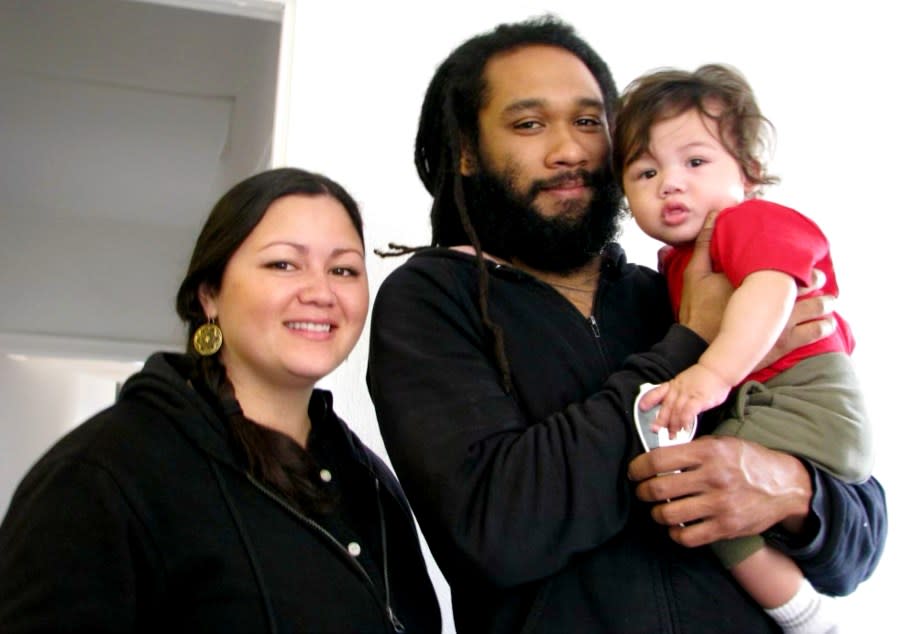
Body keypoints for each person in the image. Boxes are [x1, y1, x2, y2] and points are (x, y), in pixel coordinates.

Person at [365, 15, 886, 633]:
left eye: (590, 122)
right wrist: (686, 344)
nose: (572, 149)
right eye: (529, 124)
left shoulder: (679, 289)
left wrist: (793, 491)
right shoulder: (431, 299)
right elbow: (494, 530)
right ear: (468, 153)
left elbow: (861, 535)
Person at [0, 168, 441, 632]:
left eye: (343, 270)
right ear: (209, 293)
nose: (321, 292)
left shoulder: (370, 482)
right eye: (284, 264)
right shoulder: (105, 470)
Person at [615, 64, 873, 634]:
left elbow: (771, 290)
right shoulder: (674, 265)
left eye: (695, 162)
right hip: (780, 402)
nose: (670, 183)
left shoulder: (745, 222)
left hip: (804, 401)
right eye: (645, 171)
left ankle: (807, 618)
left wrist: (711, 372)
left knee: (708, 488)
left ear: (750, 173)